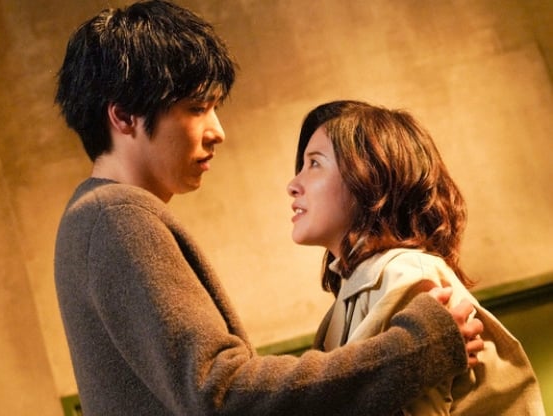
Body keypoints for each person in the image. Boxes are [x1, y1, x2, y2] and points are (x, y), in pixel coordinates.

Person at [53, 1, 484, 415]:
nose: (217, 131)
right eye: (197, 108)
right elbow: (219, 394)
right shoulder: (117, 215)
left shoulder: (91, 217)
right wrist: (419, 347)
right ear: (124, 116)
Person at [287, 99, 545, 415]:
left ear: (370, 177)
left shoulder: (406, 273)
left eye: (314, 163)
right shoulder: (352, 295)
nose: (293, 185)